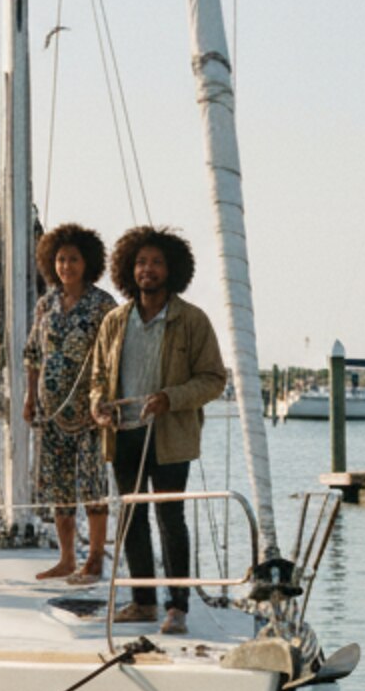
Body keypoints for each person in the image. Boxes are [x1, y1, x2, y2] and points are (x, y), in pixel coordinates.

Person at [90, 225, 228, 635]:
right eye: (140, 262)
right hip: (124, 431)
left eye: (155, 262)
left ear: (172, 269)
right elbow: (98, 376)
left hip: (170, 437)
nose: (147, 269)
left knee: (171, 519)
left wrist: (170, 397)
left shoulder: (192, 320)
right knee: (131, 519)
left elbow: (213, 379)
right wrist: (98, 405)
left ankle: (178, 607)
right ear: (128, 269)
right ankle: (143, 602)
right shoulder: (115, 321)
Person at [22, 223, 116, 582]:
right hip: (51, 412)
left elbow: (114, 355)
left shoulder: (102, 305)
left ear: (87, 262)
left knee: (93, 484)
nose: (66, 267)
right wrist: (31, 397)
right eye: (60, 260)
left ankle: (93, 558)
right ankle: (66, 559)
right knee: (58, 486)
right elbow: (33, 354)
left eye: (73, 260)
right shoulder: (45, 304)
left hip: (90, 412)